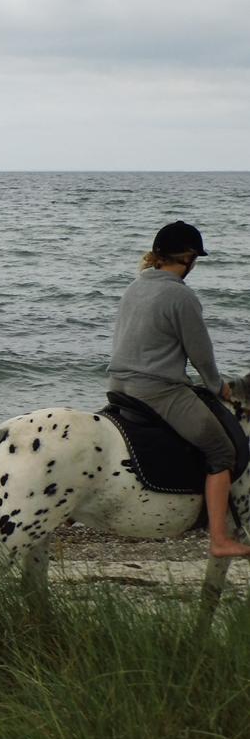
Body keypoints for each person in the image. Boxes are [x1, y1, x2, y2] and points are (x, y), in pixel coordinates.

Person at [107, 220, 250, 557]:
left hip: (118, 387)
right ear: (187, 258)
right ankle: (219, 539)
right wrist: (219, 388)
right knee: (221, 451)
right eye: (193, 260)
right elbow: (201, 355)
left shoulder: (136, 286)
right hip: (158, 391)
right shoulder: (180, 295)